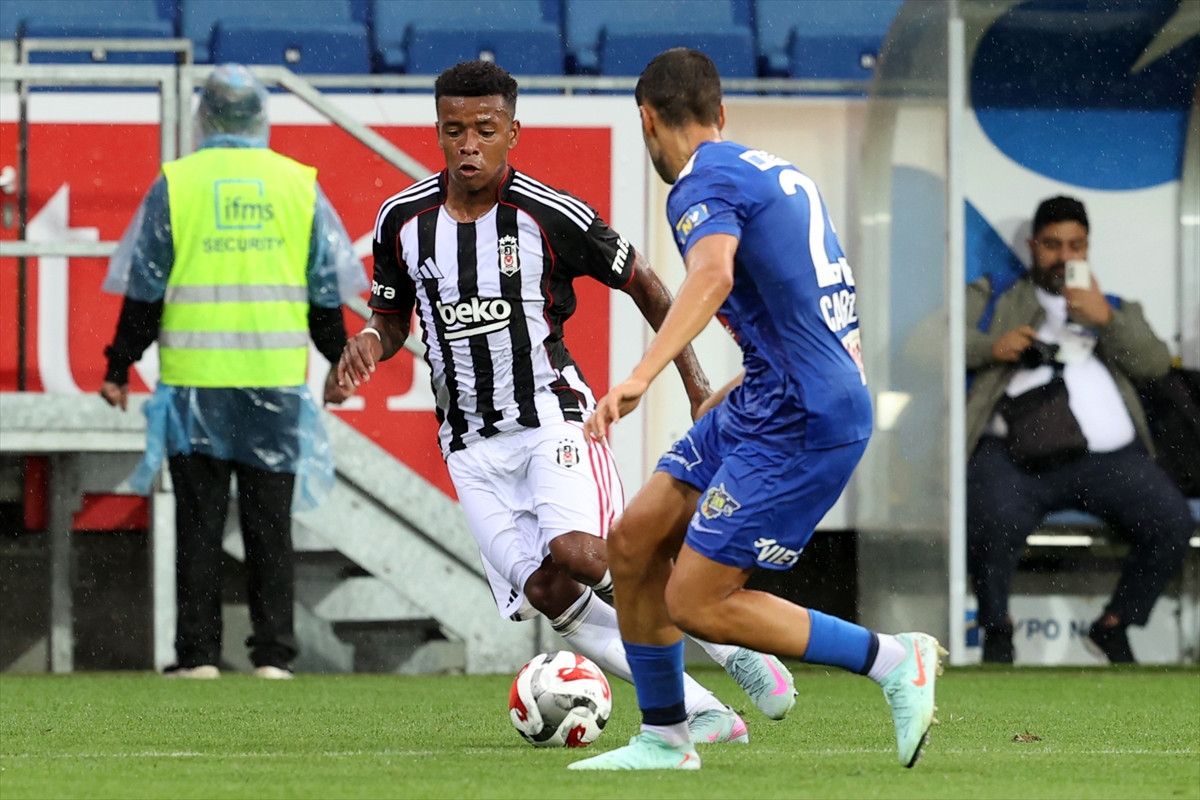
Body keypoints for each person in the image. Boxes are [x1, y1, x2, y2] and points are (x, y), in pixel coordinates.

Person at [336, 60, 796, 742]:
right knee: (548, 592)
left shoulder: (550, 213)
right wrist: (372, 340)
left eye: (485, 130)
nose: (468, 145)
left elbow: (645, 283)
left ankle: (732, 644)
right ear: (437, 133)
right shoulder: (401, 219)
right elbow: (393, 313)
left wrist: (697, 386)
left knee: (581, 553)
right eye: (454, 131)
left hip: (552, 418)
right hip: (467, 445)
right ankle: (701, 710)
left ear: (513, 132)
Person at [569, 49, 943, 772]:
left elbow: (712, 274)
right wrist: (736, 385)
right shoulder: (771, 172)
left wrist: (643, 376)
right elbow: (805, 310)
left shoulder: (698, 183)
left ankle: (893, 660)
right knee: (634, 540)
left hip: (802, 416)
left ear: (647, 119)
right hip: (770, 393)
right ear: (720, 111)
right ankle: (665, 739)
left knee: (698, 601)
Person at [100, 64, 359, 679]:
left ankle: (197, 656)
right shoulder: (296, 185)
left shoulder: (178, 183)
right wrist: (338, 361)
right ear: (261, 116)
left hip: (196, 381)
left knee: (199, 525)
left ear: (204, 116)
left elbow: (145, 290)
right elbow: (324, 292)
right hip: (274, 379)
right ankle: (274, 655)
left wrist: (118, 365)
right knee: (270, 525)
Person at [965, 195, 1192, 664]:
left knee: (1172, 520)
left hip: (1108, 461)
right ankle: (997, 631)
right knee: (989, 515)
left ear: (1088, 247)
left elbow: (1154, 364)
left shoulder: (1112, 306)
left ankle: (1114, 624)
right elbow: (929, 344)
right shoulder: (997, 295)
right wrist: (992, 346)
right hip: (1017, 457)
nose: (1064, 256)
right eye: (1052, 245)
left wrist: (1105, 320)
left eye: (1076, 245)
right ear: (1033, 246)